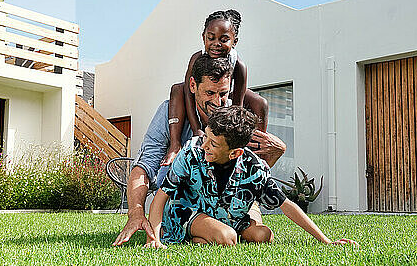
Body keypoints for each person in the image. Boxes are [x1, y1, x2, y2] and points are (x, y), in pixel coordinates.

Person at [112, 54, 285, 246]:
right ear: (193, 86)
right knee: (224, 236)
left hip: (229, 199)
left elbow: (251, 173)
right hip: (186, 199)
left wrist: (276, 153)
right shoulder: (170, 112)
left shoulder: (235, 118)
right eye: (210, 93)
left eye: (223, 94)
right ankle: (199, 229)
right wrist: (136, 211)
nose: (218, 102)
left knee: (259, 236)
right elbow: (143, 167)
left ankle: (209, 234)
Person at [144, 106, 358, 248]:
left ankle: (204, 239)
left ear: (235, 152)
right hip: (188, 213)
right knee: (227, 238)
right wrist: (153, 238)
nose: (205, 145)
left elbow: (286, 205)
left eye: (214, 143)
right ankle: (202, 235)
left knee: (264, 236)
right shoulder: (191, 152)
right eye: (206, 136)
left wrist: (327, 241)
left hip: (230, 217)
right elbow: (161, 196)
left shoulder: (254, 167)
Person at [161, 9, 269, 166]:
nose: (216, 44)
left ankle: (256, 153)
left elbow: (237, 103)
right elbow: (188, 94)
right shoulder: (197, 58)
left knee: (260, 103)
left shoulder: (239, 65)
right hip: (204, 89)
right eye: (210, 38)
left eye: (223, 40)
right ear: (203, 37)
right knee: (177, 89)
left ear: (235, 41)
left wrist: (231, 132)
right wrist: (196, 128)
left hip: (227, 91)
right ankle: (175, 144)